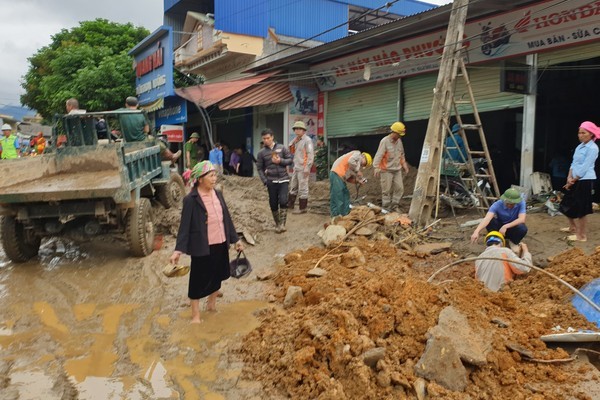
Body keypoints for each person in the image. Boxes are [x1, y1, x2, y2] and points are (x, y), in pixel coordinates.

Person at [170, 161, 244, 323]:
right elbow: (184, 226)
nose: (214, 178)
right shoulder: (191, 199)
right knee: (197, 279)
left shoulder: (218, 194)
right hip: (202, 245)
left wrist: (235, 239)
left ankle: (211, 304)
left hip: (221, 241)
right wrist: (178, 250)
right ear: (200, 179)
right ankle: (195, 316)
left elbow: (227, 219)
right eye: (211, 175)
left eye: (215, 175)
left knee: (218, 274)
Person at [559, 121, 600, 242]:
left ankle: (581, 236)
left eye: (583, 133)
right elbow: (574, 163)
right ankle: (572, 227)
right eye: (579, 132)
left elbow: (585, 166)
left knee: (582, 208)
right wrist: (569, 177)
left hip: (585, 180)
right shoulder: (579, 146)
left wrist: (574, 180)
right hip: (574, 178)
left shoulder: (593, 148)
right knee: (565, 203)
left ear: (591, 134)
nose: (580, 135)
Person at [119, 96, 181, 163]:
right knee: (156, 141)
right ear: (137, 105)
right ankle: (171, 156)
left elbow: (107, 114)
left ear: (126, 105)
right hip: (141, 140)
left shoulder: (121, 112)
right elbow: (147, 130)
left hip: (127, 141)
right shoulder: (141, 114)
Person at [257, 129, 293, 233]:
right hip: (271, 181)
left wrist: (280, 161)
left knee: (283, 200)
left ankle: (282, 224)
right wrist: (264, 180)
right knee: (273, 203)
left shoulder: (282, 148)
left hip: (283, 179)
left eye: (268, 138)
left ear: (272, 137)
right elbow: (259, 168)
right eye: (264, 139)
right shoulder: (261, 153)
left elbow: (290, 160)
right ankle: (277, 224)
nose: (266, 140)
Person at [373, 122, 410, 211]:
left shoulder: (399, 142)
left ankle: (394, 205)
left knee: (400, 188)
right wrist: (376, 167)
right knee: (386, 190)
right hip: (386, 170)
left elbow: (401, 154)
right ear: (394, 132)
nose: (400, 136)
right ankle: (386, 208)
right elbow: (379, 155)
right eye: (399, 134)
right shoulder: (384, 141)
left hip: (397, 169)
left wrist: (404, 165)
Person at [329, 151, 372, 218]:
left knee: (346, 195)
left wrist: (358, 181)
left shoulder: (353, 166)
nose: (362, 166)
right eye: (364, 164)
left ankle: (345, 215)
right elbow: (350, 161)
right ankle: (337, 217)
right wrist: (357, 171)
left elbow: (348, 178)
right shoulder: (357, 154)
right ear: (363, 157)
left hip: (340, 177)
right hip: (337, 173)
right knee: (339, 196)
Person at [288, 121, 314, 214]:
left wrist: (308, 167)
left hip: (303, 167)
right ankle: (290, 205)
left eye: (299, 129)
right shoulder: (296, 140)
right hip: (296, 166)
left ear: (303, 130)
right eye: (295, 129)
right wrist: (294, 141)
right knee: (293, 186)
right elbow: (290, 149)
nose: (297, 130)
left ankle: (303, 208)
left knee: (303, 187)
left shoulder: (307, 140)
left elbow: (310, 154)